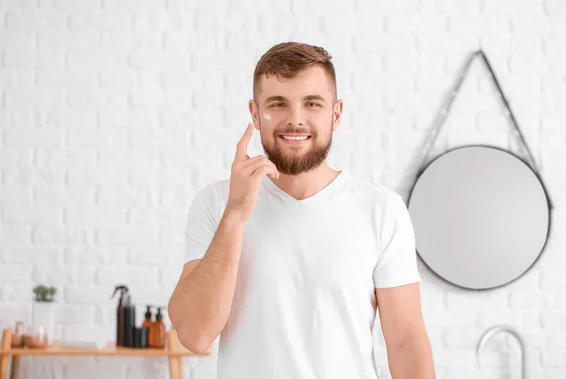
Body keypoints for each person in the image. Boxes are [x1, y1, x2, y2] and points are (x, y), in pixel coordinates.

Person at [168, 42, 435, 378]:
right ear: (255, 114)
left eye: (312, 104)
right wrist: (236, 213)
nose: (296, 120)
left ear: (335, 114)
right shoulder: (217, 204)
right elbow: (194, 335)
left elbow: (406, 342)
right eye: (278, 104)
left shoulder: (381, 210)